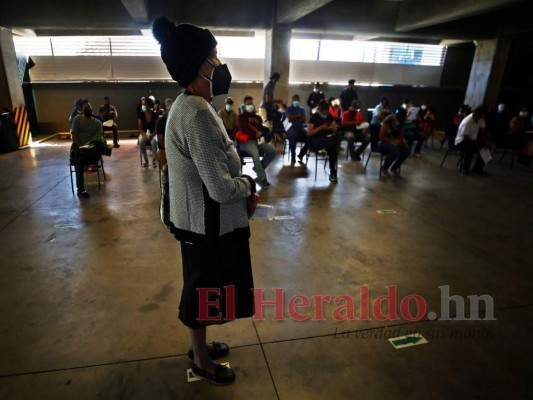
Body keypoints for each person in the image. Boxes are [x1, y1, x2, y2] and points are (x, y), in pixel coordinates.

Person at [153, 16, 258, 386]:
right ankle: (201, 363)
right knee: (202, 294)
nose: (219, 63)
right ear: (198, 64)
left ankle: (199, 347)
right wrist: (247, 184)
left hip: (197, 221)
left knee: (203, 290)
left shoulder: (189, 105)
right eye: (214, 56)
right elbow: (219, 187)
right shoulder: (196, 113)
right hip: (205, 225)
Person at [70, 99, 112, 198]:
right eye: (86, 107)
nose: (88, 109)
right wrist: (81, 146)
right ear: (81, 109)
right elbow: (74, 136)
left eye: (89, 107)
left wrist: (91, 144)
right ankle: (81, 190)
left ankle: (101, 149)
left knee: (98, 144)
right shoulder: (77, 120)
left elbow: (98, 136)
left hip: (92, 148)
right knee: (79, 160)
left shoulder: (97, 123)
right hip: (80, 148)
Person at [236, 95, 277, 188]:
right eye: (248, 104)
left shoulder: (257, 117)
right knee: (255, 153)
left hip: (258, 141)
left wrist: (261, 133)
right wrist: (255, 134)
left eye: (251, 103)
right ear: (244, 105)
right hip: (246, 142)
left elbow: (264, 128)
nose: (250, 105)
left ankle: (257, 169)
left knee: (272, 151)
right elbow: (243, 128)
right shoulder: (241, 117)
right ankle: (262, 179)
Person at [307, 99, 341, 182]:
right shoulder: (314, 117)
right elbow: (309, 133)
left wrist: (333, 128)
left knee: (334, 149)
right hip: (316, 139)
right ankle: (325, 149)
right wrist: (320, 128)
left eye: (326, 113)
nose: (325, 115)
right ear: (319, 110)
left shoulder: (329, 116)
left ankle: (333, 172)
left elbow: (335, 127)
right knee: (333, 147)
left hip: (327, 138)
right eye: (323, 113)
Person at [455, 105, 489, 175]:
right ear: (478, 114)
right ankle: (465, 169)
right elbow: (466, 137)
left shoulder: (480, 119)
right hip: (462, 141)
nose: (483, 117)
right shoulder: (467, 122)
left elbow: (483, 130)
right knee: (471, 148)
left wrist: (484, 142)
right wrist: (477, 146)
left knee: (486, 149)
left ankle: (477, 169)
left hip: (473, 140)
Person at [378, 109, 410, 176]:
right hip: (384, 142)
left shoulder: (400, 122)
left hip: (395, 141)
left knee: (406, 150)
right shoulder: (387, 121)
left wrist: (402, 141)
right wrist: (391, 141)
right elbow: (381, 137)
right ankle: (384, 168)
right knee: (396, 151)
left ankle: (394, 167)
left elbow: (401, 134)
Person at [285, 94, 309, 165]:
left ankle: (301, 154)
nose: (296, 101)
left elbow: (304, 119)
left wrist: (294, 117)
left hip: (301, 128)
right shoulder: (288, 108)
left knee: (309, 138)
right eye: (295, 100)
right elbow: (289, 118)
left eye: (297, 100)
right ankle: (293, 155)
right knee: (293, 135)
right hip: (291, 128)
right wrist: (299, 117)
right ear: (292, 101)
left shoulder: (302, 109)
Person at [138, 97, 158, 168]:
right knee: (141, 141)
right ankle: (146, 160)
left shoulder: (155, 115)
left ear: (149, 105)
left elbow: (156, 128)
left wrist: (152, 135)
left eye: (145, 104)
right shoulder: (141, 114)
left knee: (154, 142)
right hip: (144, 133)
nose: (144, 106)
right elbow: (140, 128)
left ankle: (154, 160)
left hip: (153, 133)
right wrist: (144, 136)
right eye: (143, 105)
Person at [156, 98, 173, 168]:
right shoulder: (161, 122)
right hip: (164, 147)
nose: (169, 111)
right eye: (168, 109)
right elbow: (160, 140)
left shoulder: (176, 120)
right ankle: (163, 174)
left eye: (171, 109)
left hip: (175, 146)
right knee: (161, 155)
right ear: (165, 110)